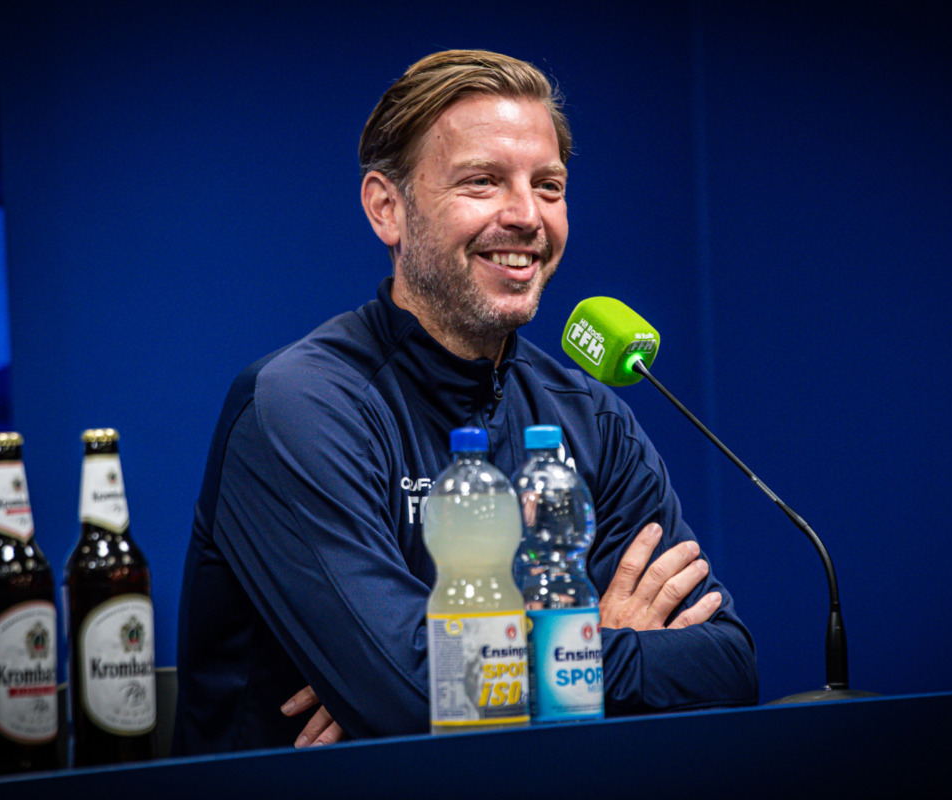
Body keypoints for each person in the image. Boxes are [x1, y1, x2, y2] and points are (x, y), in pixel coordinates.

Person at [173, 49, 757, 755]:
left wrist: (528, 667)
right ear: (387, 208)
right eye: (482, 182)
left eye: (548, 185)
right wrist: (584, 643)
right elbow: (414, 695)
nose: (525, 217)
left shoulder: (590, 414)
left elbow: (729, 664)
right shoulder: (300, 405)